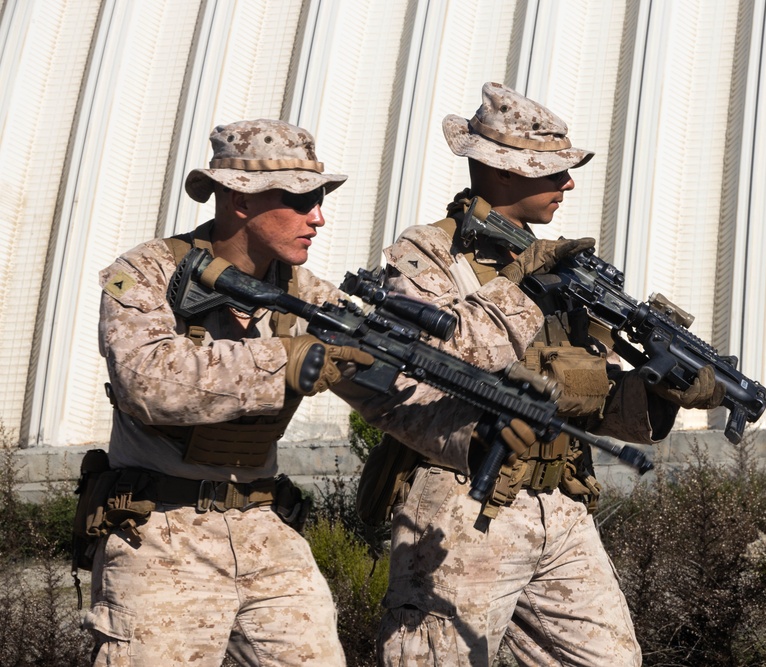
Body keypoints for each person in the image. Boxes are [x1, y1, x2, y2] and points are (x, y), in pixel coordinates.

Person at [353, 82, 724, 666]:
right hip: (464, 502)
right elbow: (424, 361)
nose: (568, 184)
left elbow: (590, 397)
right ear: (501, 173)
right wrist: (522, 282)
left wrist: (658, 386)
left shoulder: (560, 268)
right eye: (552, 171)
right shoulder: (427, 255)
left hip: (560, 500)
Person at [84, 119, 373, 665]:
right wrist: (287, 361)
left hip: (268, 532)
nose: (319, 216)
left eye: (320, 198)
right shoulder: (146, 272)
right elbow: (145, 380)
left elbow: (388, 392)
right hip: (162, 536)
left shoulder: (309, 295)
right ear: (241, 200)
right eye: (302, 199)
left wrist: (484, 410)